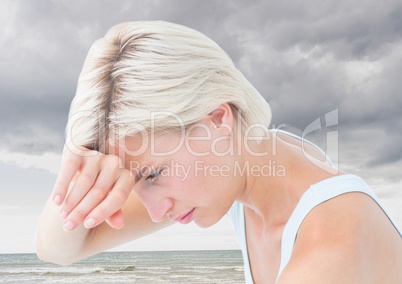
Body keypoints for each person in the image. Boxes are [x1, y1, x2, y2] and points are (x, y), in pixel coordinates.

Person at [35, 21, 402, 283]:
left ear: (217, 118)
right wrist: (77, 165)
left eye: (154, 174)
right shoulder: (257, 164)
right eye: (135, 185)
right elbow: (56, 250)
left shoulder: (328, 242)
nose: (154, 209)